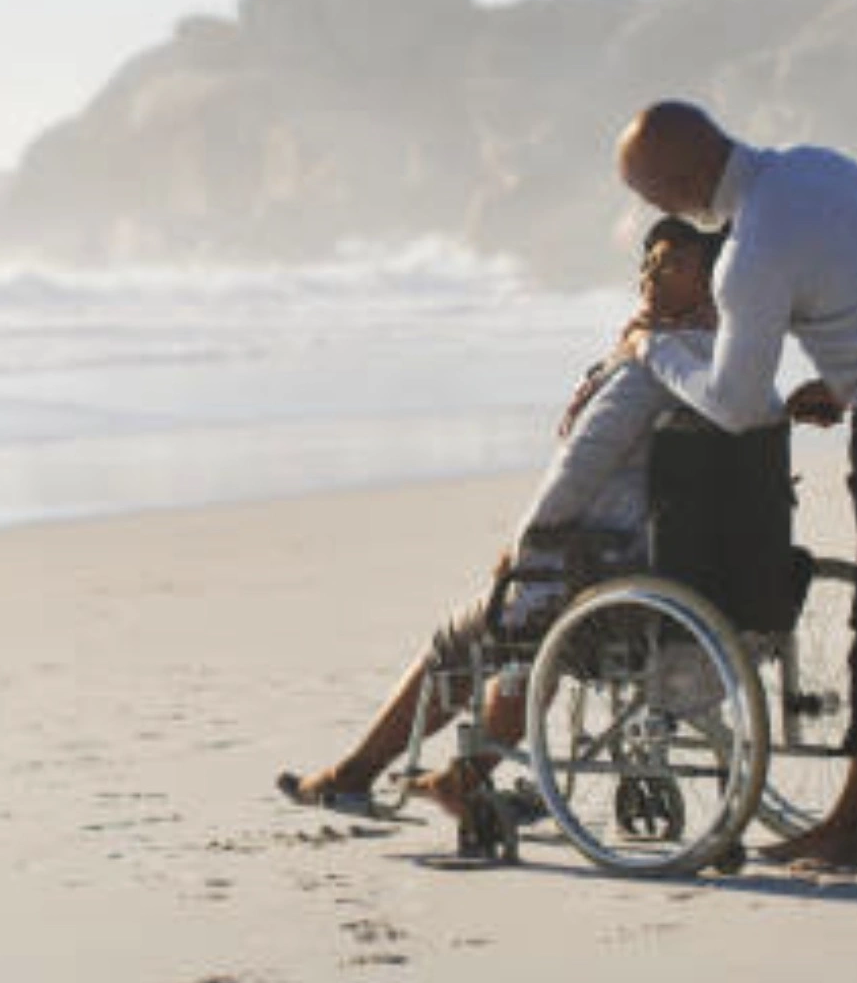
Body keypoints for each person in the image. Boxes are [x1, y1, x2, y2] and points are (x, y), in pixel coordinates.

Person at [615, 99, 857, 871]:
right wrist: (840, 380)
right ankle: (853, 814)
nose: (655, 211)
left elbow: (733, 405)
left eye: (651, 193)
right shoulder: (817, 166)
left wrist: (652, 349)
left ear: (683, 175)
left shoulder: (752, 250)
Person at [276, 218, 725, 819]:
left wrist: (525, 547)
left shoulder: (646, 367)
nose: (651, 277)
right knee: (525, 639)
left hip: (610, 570)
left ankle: (355, 775)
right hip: (686, 569)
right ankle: (459, 777)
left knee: (469, 639)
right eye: (649, 263)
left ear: (712, 282)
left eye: (673, 265)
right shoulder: (730, 368)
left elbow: (578, 472)